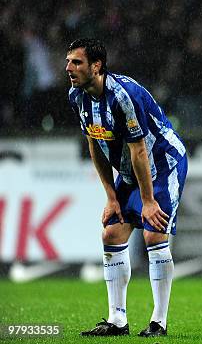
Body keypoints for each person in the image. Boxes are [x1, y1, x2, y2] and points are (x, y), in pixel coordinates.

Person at [66, 38, 188, 337]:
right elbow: (94, 143)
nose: (69, 68)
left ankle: (159, 322)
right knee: (111, 231)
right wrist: (111, 197)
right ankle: (117, 320)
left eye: (77, 62)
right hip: (130, 169)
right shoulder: (77, 96)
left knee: (153, 232)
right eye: (68, 61)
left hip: (162, 163)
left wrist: (148, 201)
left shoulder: (123, 96)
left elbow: (141, 151)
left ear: (97, 66)